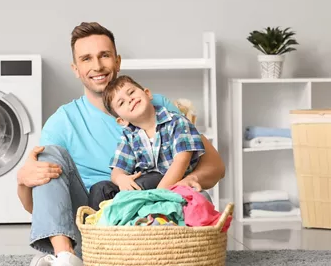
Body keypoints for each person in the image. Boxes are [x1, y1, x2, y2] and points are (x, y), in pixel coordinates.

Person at [16, 22, 225, 266]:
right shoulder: (62, 121)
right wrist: (23, 181)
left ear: (117, 61)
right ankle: (65, 257)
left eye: (104, 55)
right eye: (86, 59)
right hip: (95, 221)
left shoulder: (156, 106)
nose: (97, 66)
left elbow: (215, 167)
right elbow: (42, 208)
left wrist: (188, 181)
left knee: (194, 204)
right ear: (75, 68)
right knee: (49, 154)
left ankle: (161, 251)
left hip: (154, 205)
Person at [87, 75, 206, 211]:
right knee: (100, 188)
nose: (130, 99)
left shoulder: (177, 122)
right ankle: (99, 228)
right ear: (122, 121)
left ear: (147, 94)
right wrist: (121, 179)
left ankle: (133, 214)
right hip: (141, 186)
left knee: (143, 183)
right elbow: (117, 170)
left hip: (170, 182)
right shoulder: (129, 136)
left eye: (131, 92)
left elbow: (181, 161)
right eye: (121, 103)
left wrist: (157, 195)